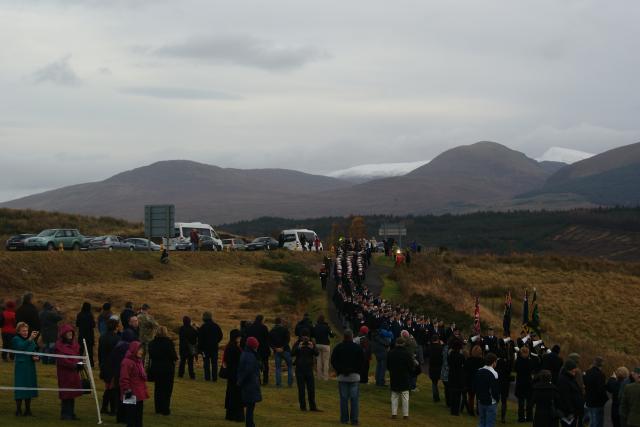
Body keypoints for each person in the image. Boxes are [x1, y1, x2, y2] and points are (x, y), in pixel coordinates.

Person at [331, 329, 364, 426]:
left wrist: (340, 370)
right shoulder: (357, 348)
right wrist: (356, 370)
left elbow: (333, 361)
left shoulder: (338, 347)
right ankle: (354, 420)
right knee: (354, 400)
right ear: (352, 336)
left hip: (342, 376)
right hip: (354, 376)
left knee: (344, 399)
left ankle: (344, 419)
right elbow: (361, 362)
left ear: (343, 336)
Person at [55, 324, 83, 421]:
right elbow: (62, 360)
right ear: (64, 334)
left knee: (72, 393)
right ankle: (65, 414)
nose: (70, 334)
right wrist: (74, 365)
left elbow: (78, 356)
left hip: (74, 373)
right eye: (68, 333)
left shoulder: (74, 345)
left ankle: (71, 413)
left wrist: (80, 364)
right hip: (65, 374)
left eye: (71, 332)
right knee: (66, 394)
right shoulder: (59, 346)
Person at [148, 326, 178, 416]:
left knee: (158, 389)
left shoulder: (152, 343)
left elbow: (151, 356)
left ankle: (158, 408)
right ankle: (165, 409)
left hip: (156, 368)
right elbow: (173, 356)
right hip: (167, 369)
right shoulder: (168, 343)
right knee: (167, 390)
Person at [111, 329, 138, 424]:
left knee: (119, 396)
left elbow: (113, 360)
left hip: (117, 373)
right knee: (127, 396)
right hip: (126, 374)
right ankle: (126, 417)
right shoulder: (129, 348)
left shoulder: (118, 345)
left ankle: (120, 417)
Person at [120, 341, 149, 427]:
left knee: (138, 417)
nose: (141, 351)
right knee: (131, 418)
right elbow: (123, 378)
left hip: (139, 393)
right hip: (130, 393)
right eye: (139, 349)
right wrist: (126, 390)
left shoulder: (138, 361)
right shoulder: (127, 362)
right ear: (134, 349)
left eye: (142, 350)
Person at [12, 322, 39, 416]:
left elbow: (34, 350)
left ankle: (28, 410)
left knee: (29, 387)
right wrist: (31, 338)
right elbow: (20, 347)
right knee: (20, 387)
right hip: (21, 367)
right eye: (23, 330)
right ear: (18, 331)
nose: (26, 332)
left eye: (27, 330)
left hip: (30, 367)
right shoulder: (16, 339)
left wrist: (36, 356)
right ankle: (18, 410)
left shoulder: (30, 340)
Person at [292, 328, 320, 411]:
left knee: (311, 389)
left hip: (309, 369)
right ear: (301, 337)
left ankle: (312, 406)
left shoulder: (311, 343)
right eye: (304, 337)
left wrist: (313, 348)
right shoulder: (297, 343)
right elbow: (292, 353)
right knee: (301, 390)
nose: (305, 339)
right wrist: (298, 348)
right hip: (299, 369)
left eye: (307, 337)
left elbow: (317, 353)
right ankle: (303, 406)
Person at [387, 337, 414, 419]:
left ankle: (394, 413)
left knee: (394, 395)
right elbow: (411, 366)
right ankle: (405, 415)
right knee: (405, 396)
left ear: (396, 343)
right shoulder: (407, 353)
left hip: (394, 376)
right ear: (404, 343)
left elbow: (388, 365)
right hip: (404, 376)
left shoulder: (391, 353)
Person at [237, 336, 262, 427]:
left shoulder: (245, 353)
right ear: (253, 346)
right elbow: (248, 370)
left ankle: (250, 423)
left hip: (248, 383)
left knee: (250, 405)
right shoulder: (250, 356)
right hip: (250, 383)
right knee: (250, 406)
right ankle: (250, 424)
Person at [98, 318, 120, 416]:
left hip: (104, 364)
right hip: (113, 365)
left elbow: (99, 352)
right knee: (113, 387)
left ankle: (104, 407)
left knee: (108, 386)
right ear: (116, 327)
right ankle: (113, 409)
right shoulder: (117, 338)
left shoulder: (102, 337)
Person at [223, 329, 244, 422]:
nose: (240, 338)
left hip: (231, 374)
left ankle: (230, 415)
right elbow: (238, 360)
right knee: (237, 395)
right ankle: (237, 416)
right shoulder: (234, 348)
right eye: (239, 337)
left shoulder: (230, 346)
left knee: (231, 394)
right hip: (235, 374)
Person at [474, 353, 501, 427]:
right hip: (491, 402)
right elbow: (494, 389)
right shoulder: (494, 373)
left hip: (480, 400)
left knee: (481, 422)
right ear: (493, 362)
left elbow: (476, 386)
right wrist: (497, 399)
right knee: (489, 423)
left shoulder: (479, 370)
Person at [556, 359, 584, 427]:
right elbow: (565, 397)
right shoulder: (563, 380)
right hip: (569, 413)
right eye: (573, 369)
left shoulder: (571, 378)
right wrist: (571, 411)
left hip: (574, 412)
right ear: (569, 369)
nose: (575, 371)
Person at [198, 311, 223, 382]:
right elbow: (220, 336)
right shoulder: (216, 326)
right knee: (214, 363)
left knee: (206, 364)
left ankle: (207, 378)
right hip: (214, 348)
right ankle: (214, 378)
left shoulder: (203, 327)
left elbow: (200, 339)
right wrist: (216, 342)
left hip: (205, 349)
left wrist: (200, 348)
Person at [246, 315, 271, 385]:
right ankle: (265, 381)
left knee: (255, 366)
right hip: (264, 349)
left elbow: (248, 338)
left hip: (254, 349)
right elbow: (267, 338)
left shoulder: (251, 327)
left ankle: (258, 380)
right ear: (261, 320)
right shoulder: (264, 328)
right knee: (265, 365)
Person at [584, 357, 608, 427]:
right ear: (601, 365)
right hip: (598, 403)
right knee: (597, 422)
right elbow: (601, 390)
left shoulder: (587, 372)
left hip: (589, 401)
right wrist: (605, 399)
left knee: (591, 421)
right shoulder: (601, 375)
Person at [269, 317, 292, 388]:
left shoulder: (272, 331)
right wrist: (283, 347)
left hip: (276, 351)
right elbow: (288, 339)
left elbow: (269, 342)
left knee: (278, 368)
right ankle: (289, 383)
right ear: (280, 322)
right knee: (290, 366)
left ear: (275, 322)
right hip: (285, 350)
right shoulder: (285, 330)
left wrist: (275, 348)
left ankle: (278, 383)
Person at [515, 346, 535, 422]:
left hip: (521, 382)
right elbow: (532, 369)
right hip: (527, 382)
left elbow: (516, 369)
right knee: (526, 402)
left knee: (522, 402)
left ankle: (522, 418)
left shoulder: (518, 360)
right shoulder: (529, 361)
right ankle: (528, 417)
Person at [312, 315, 334, 381]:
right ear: (324, 320)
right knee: (326, 361)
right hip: (326, 345)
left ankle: (319, 377)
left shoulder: (315, 326)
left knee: (319, 361)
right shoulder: (327, 327)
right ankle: (325, 377)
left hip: (318, 344)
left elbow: (313, 335)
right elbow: (331, 335)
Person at [465, 344, 485, 416]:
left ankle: (471, 411)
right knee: (479, 398)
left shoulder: (469, 360)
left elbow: (466, 370)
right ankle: (479, 411)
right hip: (479, 381)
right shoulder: (483, 361)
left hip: (471, 380)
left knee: (471, 397)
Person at [447, 339, 465, 416]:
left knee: (453, 393)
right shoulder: (461, 356)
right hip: (458, 376)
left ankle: (452, 410)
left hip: (451, 375)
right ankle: (456, 411)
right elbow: (463, 365)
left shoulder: (450, 355)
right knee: (458, 394)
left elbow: (449, 363)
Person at [76, 302, 96, 367]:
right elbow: (93, 325)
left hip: (81, 335)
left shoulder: (79, 314)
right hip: (89, 335)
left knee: (80, 351)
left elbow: (77, 324)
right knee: (90, 352)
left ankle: (80, 364)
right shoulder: (90, 315)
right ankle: (91, 365)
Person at [428, 335, 444, 403]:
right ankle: (438, 396)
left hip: (432, 366)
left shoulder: (430, 347)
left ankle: (436, 397)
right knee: (439, 382)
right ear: (438, 340)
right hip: (439, 366)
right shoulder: (440, 347)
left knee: (434, 383)